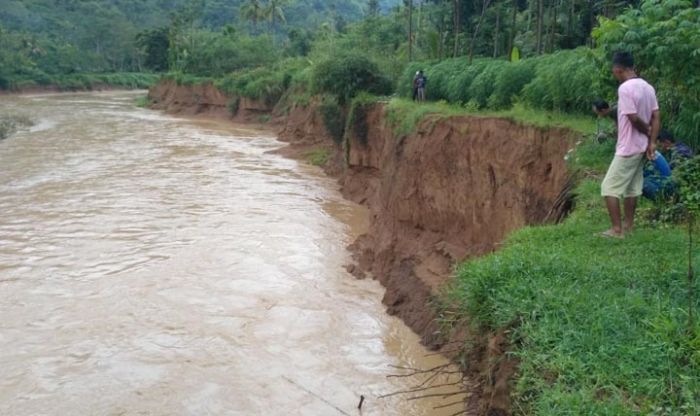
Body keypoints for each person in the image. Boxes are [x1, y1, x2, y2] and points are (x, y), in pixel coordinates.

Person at [599, 51, 660, 239]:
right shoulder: (648, 87)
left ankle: (617, 230)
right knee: (633, 188)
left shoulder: (625, 89)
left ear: (618, 69)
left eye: (613, 71)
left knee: (609, 188)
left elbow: (633, 118)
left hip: (628, 147)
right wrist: (652, 142)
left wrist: (648, 132)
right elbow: (656, 116)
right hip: (642, 147)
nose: (613, 74)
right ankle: (629, 226)